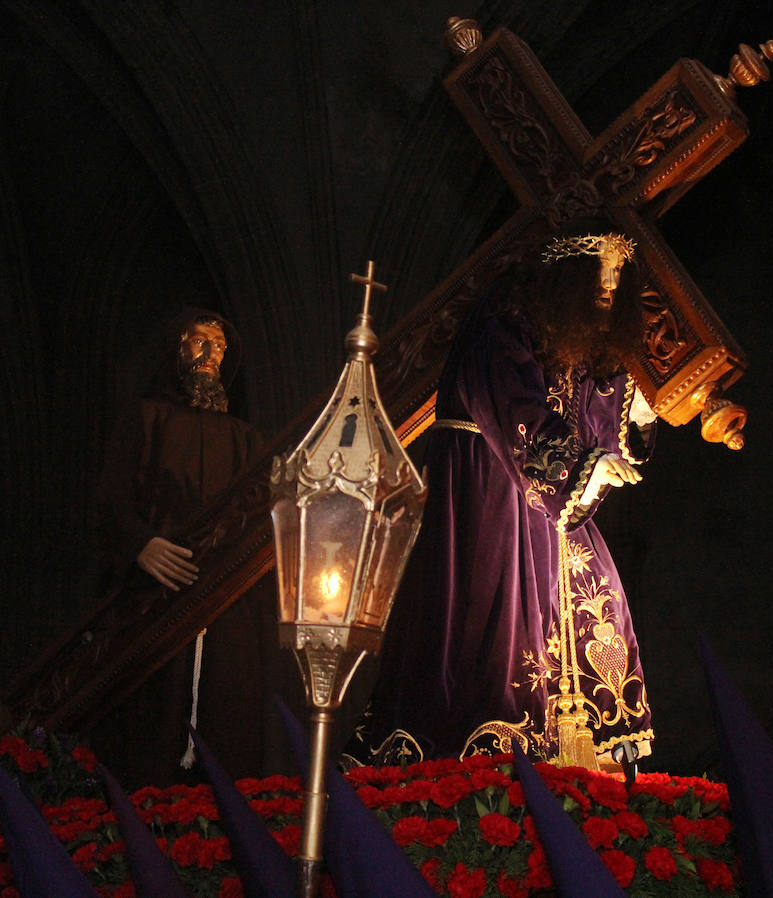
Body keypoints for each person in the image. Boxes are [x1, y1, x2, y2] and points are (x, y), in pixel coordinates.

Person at [356, 218, 656, 773]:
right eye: (601, 277)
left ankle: (593, 768)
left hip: (558, 508)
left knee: (601, 604)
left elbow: (595, 412)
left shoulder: (578, 341)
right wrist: (583, 465)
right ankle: (492, 759)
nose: (610, 290)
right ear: (569, 275)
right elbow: (517, 412)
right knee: (500, 631)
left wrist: (630, 422)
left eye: (619, 280)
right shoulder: (503, 324)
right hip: (494, 496)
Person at [90, 308, 300, 788]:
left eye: (220, 347)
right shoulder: (147, 418)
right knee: (152, 722)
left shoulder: (244, 438)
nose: (211, 354)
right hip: (155, 596)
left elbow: (268, 510)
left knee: (231, 715)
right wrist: (140, 545)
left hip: (228, 602)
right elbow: (112, 497)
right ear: (176, 348)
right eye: (199, 341)